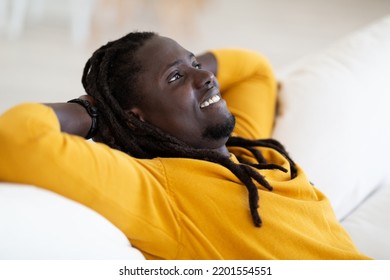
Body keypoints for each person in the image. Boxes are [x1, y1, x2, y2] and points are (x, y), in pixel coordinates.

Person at [0, 31, 371, 260]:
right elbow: (19, 138)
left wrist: (190, 68)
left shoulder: (248, 151)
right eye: (176, 77)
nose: (207, 77)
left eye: (195, 63)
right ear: (136, 118)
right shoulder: (162, 190)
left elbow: (255, 69)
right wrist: (95, 111)